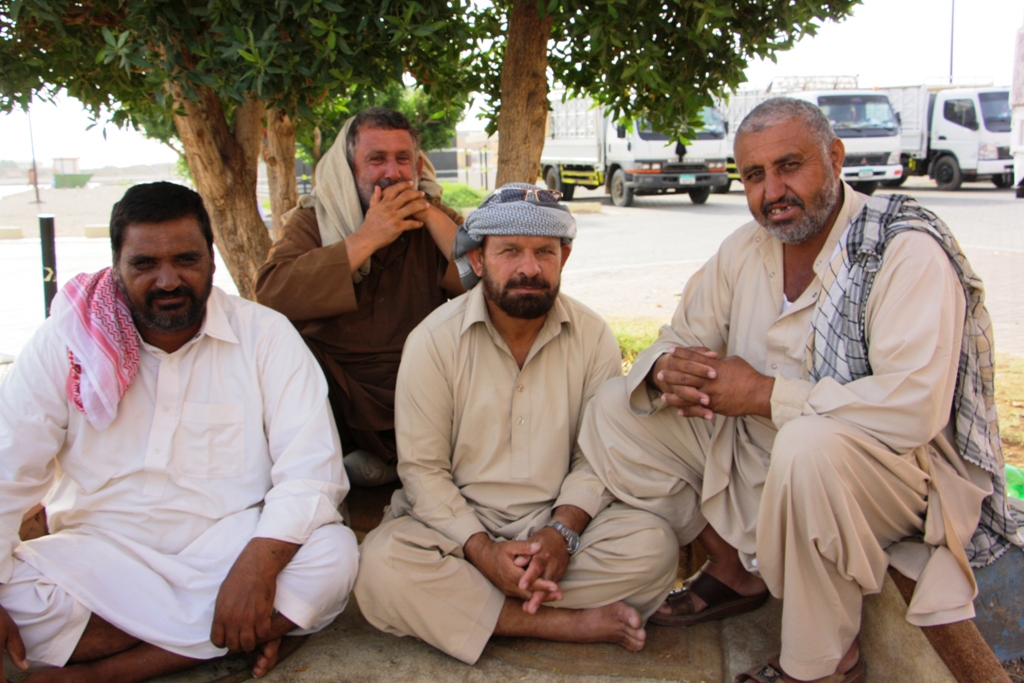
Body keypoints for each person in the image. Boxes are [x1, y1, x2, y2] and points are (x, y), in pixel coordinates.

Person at [579, 98, 1024, 683]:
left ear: (834, 158)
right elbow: (680, 336)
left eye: (790, 166)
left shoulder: (901, 250)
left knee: (809, 446)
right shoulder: (746, 248)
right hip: (766, 444)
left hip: (889, 471)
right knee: (616, 410)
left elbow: (911, 411)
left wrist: (766, 395)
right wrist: (668, 369)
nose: (773, 192)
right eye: (755, 176)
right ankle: (737, 569)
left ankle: (821, 665)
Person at [0, 182, 358, 682]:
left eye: (186, 260)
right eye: (144, 264)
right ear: (117, 264)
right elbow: (7, 471)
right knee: (11, 597)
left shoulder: (265, 335)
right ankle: (233, 635)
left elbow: (312, 471)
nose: (168, 280)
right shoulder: (66, 343)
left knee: (333, 556)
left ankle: (109, 672)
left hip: (228, 550)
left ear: (211, 259)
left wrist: (256, 567)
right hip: (98, 558)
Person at [353, 184, 678, 664]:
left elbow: (597, 458)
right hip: (457, 533)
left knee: (654, 548)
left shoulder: (593, 337)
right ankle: (565, 623)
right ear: (479, 260)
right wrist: (482, 552)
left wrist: (560, 534)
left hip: (555, 531)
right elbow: (422, 471)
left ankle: (474, 612)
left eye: (544, 253)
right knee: (381, 566)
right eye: (509, 252)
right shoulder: (434, 342)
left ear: (563, 258)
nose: (529, 268)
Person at [255, 107, 464, 487]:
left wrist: (430, 215)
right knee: (295, 367)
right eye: (376, 159)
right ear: (350, 167)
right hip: (339, 389)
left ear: (417, 165)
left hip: (420, 381)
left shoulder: (434, 218)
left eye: (403, 159)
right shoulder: (314, 220)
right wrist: (368, 237)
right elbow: (271, 294)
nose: (392, 172)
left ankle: (398, 463)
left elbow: (488, 278)